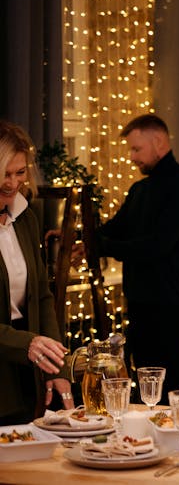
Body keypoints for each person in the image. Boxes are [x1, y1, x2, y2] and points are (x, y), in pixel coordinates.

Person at [84, 114, 179, 398]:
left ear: (159, 142)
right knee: (143, 380)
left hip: (171, 305)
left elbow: (158, 246)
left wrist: (102, 246)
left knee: (173, 382)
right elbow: (114, 229)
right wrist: (81, 239)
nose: (132, 157)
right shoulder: (140, 189)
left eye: (136, 149)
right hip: (140, 303)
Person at [0, 120, 75, 424]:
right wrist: (28, 345)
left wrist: (54, 368)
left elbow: (42, 296)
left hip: (23, 375)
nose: (13, 183)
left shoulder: (25, 218)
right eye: (5, 173)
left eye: (20, 173)